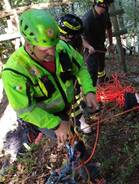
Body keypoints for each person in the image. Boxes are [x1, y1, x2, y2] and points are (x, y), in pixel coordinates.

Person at [1, 9, 98, 149]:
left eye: (53, 45)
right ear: (29, 45)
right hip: (44, 115)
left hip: (68, 106)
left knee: (74, 138)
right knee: (75, 147)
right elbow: (25, 110)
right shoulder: (15, 71)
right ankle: (81, 166)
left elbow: (80, 67)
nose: (52, 52)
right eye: (45, 49)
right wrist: (56, 124)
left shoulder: (61, 47)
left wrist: (89, 90)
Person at [58, 13, 97, 133]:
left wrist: (89, 46)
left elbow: (81, 68)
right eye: (76, 36)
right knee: (72, 101)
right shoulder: (60, 50)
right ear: (67, 35)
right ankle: (80, 122)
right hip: (64, 82)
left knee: (78, 93)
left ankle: (82, 107)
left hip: (74, 71)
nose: (78, 37)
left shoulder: (71, 39)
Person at [82, 0, 114, 86]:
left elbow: (109, 28)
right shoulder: (87, 19)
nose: (109, 7)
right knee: (92, 71)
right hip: (89, 48)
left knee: (101, 67)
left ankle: (102, 81)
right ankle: (91, 92)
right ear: (102, 4)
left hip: (100, 45)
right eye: (108, 5)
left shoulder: (105, 13)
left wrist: (111, 44)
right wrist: (88, 47)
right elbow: (80, 38)